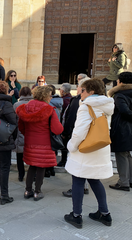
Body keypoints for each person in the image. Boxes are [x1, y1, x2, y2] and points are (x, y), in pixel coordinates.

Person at [64, 78, 114, 229]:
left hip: (85, 148)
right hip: (99, 148)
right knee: (94, 180)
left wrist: (71, 146)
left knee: (78, 180)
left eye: (83, 90)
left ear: (91, 91)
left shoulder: (86, 106)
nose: (80, 92)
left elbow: (79, 132)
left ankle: (76, 215)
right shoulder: (107, 105)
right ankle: (105, 214)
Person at [16, 86, 63, 201]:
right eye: (50, 95)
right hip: (45, 143)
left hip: (30, 141)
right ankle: (37, 191)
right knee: (41, 167)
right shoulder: (49, 109)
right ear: (46, 96)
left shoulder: (26, 108)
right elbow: (57, 130)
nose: (51, 97)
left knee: (32, 166)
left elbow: (21, 127)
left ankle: (28, 191)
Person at [60, 75, 90, 197]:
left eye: (78, 86)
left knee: (78, 165)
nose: (77, 88)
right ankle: (85, 186)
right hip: (87, 137)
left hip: (77, 136)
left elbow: (71, 119)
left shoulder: (79, 101)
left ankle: (79, 189)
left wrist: (66, 133)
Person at [108, 72, 132, 191]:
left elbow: (124, 111)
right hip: (129, 129)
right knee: (127, 154)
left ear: (120, 82)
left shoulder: (119, 95)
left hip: (122, 128)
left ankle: (123, 182)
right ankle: (129, 179)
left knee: (122, 154)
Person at [13, 87, 33, 182]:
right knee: (32, 156)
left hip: (20, 132)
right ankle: (32, 175)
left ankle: (21, 175)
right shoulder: (34, 104)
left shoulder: (16, 105)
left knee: (19, 156)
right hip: (32, 133)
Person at [45, 84, 63, 177]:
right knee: (54, 150)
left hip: (48, 129)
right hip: (56, 127)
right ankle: (52, 169)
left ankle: (47, 170)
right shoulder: (59, 101)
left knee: (48, 151)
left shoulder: (49, 104)